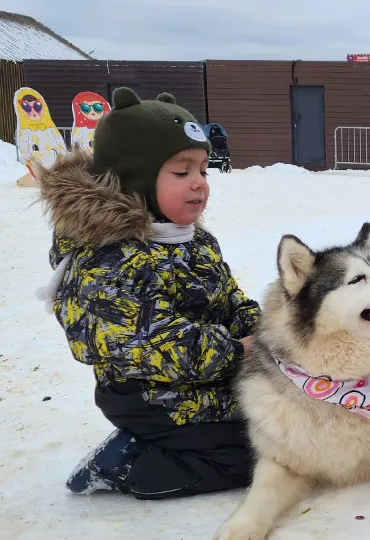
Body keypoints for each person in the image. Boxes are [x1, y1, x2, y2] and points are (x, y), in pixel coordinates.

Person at [34, 87, 260, 499]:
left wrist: (268, 330)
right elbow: (152, 341)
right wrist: (238, 351)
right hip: (150, 397)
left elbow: (229, 298)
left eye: (204, 171)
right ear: (136, 177)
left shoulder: (192, 240)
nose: (200, 185)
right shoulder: (109, 259)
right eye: (181, 172)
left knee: (289, 427)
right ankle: (131, 463)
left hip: (209, 378)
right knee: (258, 456)